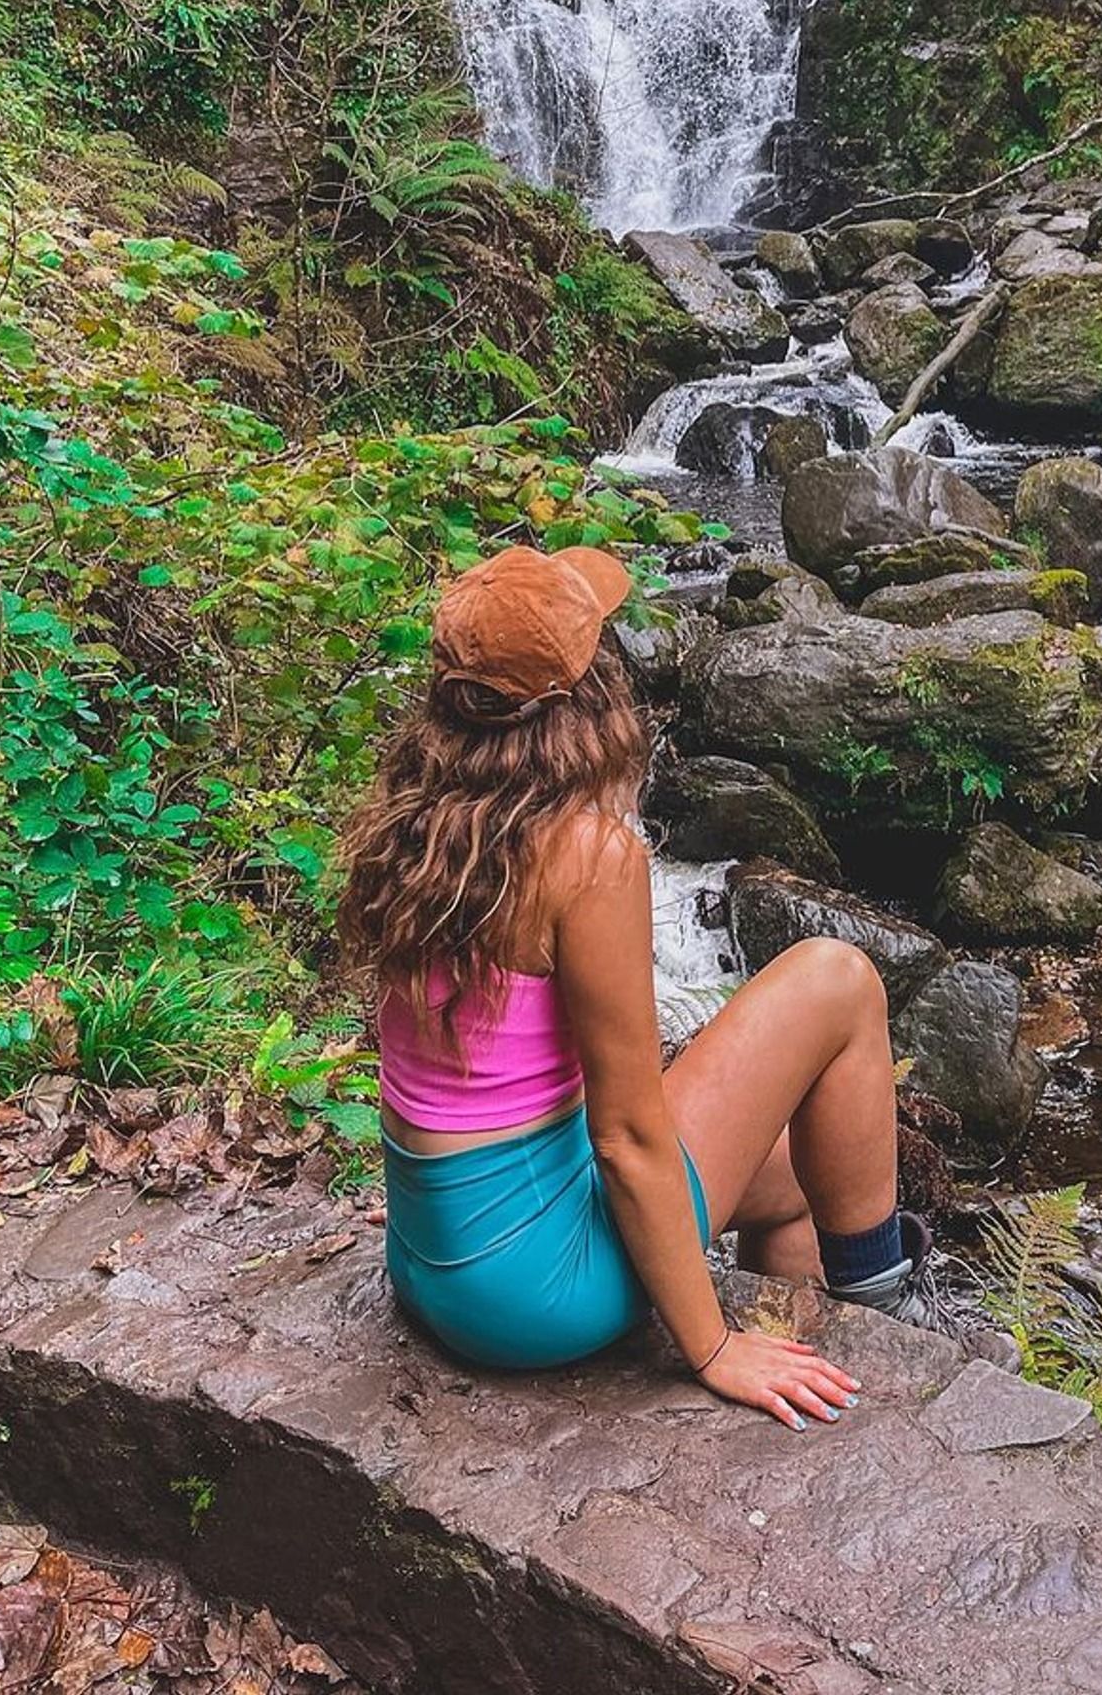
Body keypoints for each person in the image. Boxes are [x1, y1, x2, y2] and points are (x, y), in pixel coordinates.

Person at [339, 540, 931, 1429]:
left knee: (795, 1178)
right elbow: (625, 1135)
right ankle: (887, 1309)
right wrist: (711, 1348)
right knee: (837, 977)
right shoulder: (585, 853)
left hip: (435, 1263)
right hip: (536, 1292)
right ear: (585, 697)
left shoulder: (419, 824)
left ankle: (832, 1336)